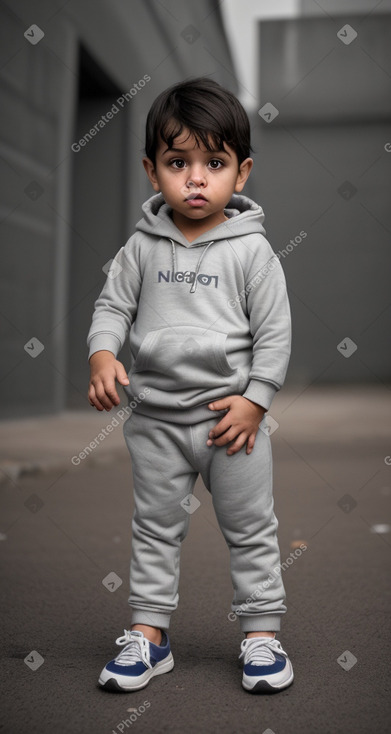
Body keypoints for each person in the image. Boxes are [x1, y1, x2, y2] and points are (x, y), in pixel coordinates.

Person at [87, 77, 293, 694]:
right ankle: (149, 636)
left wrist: (256, 401)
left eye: (214, 163)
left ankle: (261, 634)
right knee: (154, 529)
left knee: (252, 527)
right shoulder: (140, 248)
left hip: (232, 423)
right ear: (153, 172)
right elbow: (111, 307)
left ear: (242, 171)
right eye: (179, 163)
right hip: (155, 423)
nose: (196, 179)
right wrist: (102, 355)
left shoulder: (254, 253)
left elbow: (275, 335)